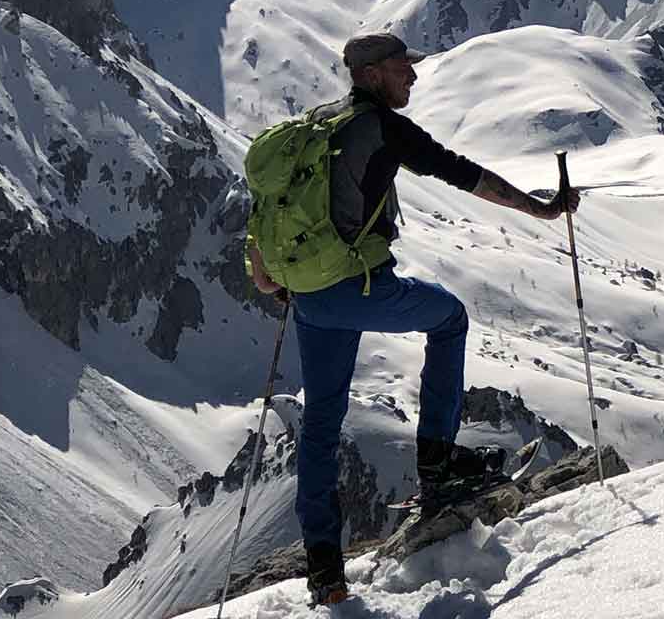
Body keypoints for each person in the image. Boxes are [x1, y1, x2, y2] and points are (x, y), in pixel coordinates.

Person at [245, 32, 579, 605]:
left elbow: (264, 207)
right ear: (373, 73)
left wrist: (273, 274)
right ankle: (438, 462)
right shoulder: (382, 128)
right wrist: (541, 208)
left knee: (322, 425)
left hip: (309, 296)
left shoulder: (314, 125)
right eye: (404, 68)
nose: (413, 78)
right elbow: (463, 174)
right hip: (354, 285)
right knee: (448, 320)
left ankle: (325, 569)